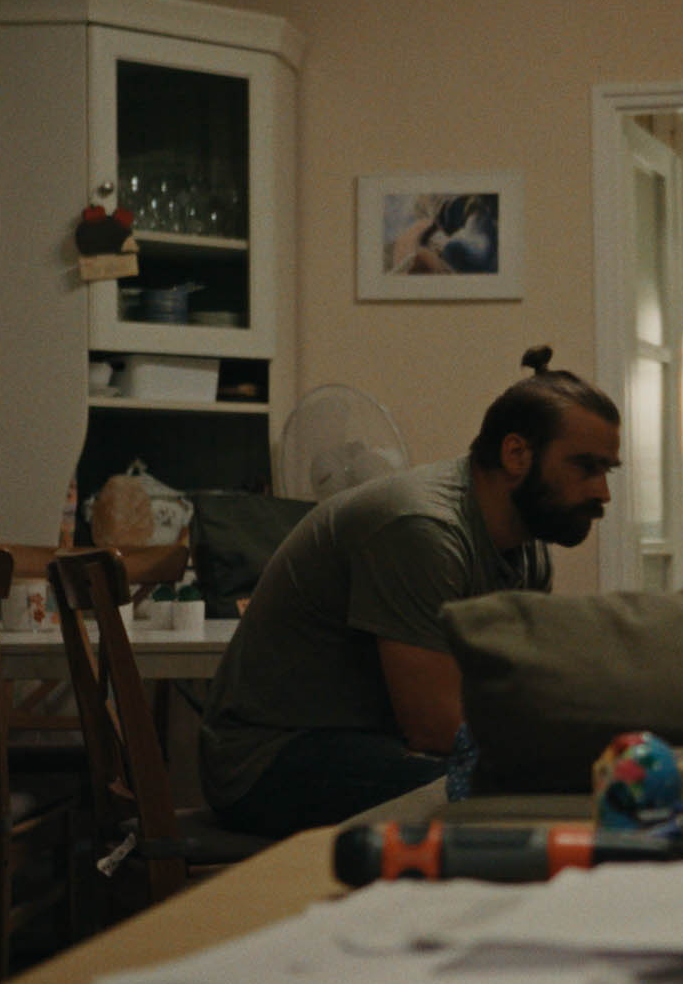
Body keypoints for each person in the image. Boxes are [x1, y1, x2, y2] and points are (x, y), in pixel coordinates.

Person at [198, 345, 621, 838]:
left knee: (569, 783)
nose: (603, 492)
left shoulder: (529, 549)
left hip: (376, 743)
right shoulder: (421, 527)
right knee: (512, 797)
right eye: (585, 468)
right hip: (270, 759)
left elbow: (516, 689)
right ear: (516, 454)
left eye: (607, 471)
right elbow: (436, 728)